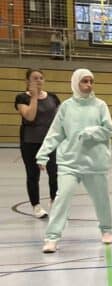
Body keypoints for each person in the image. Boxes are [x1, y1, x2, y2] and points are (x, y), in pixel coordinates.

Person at [36, 69, 112, 253]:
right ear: (75, 83)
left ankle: (106, 229)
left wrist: (92, 132)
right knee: (61, 199)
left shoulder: (100, 105)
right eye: (84, 81)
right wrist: (43, 154)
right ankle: (52, 237)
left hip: (95, 163)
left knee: (101, 199)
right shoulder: (66, 107)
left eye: (91, 81)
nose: (89, 85)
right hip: (69, 162)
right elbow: (55, 133)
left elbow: (110, 130)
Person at [15, 69, 61, 219]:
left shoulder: (53, 97)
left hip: (50, 142)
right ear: (27, 81)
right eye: (35, 78)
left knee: (54, 172)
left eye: (41, 78)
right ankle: (36, 206)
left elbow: (60, 118)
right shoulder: (22, 98)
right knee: (33, 175)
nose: (38, 81)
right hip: (30, 142)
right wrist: (34, 97)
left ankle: (54, 201)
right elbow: (30, 116)